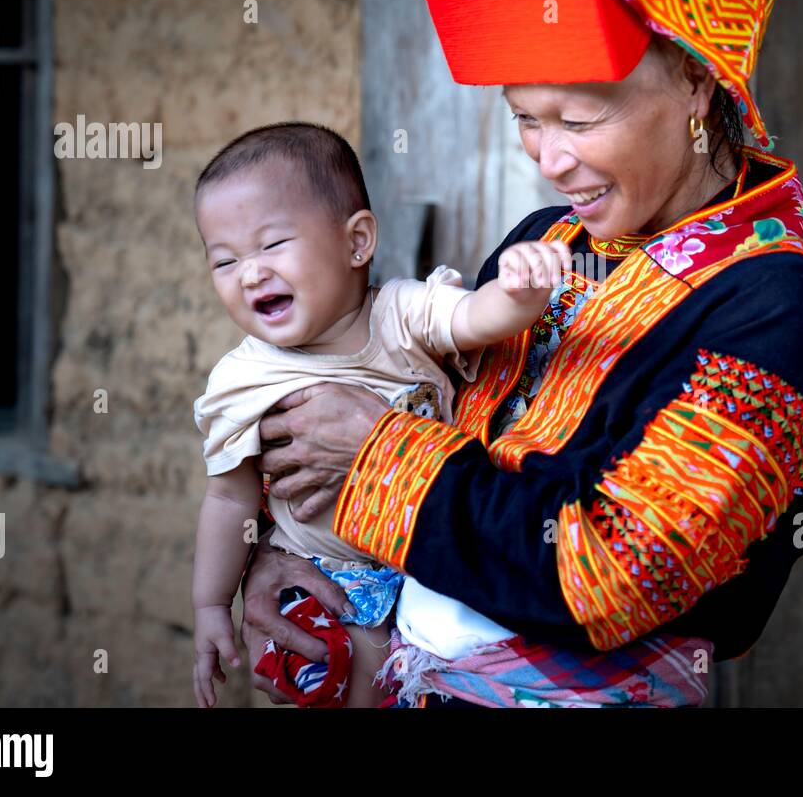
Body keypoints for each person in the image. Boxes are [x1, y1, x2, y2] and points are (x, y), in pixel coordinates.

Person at [241, 0, 803, 707]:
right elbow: (418, 401)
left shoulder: (768, 314)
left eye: (580, 115)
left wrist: (376, 454)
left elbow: (607, 574)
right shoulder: (544, 242)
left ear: (695, 82)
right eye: (524, 117)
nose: (551, 159)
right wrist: (284, 546)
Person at [190, 121, 573, 707]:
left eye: (271, 245)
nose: (250, 273)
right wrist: (212, 604)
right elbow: (229, 500)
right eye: (224, 261)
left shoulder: (402, 311)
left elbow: (477, 318)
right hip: (329, 574)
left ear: (356, 241)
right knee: (355, 685)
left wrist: (521, 290)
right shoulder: (241, 381)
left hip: (435, 560)